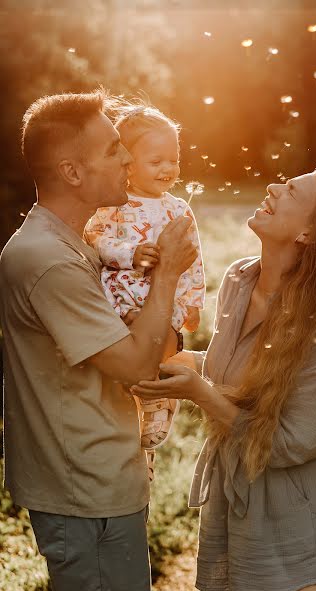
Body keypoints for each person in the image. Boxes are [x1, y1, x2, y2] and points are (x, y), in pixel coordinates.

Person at [132, 165, 316, 591]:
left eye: (292, 191)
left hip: (306, 530)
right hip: (247, 523)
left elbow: (292, 442)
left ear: (308, 234)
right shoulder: (239, 280)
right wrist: (189, 363)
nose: (273, 186)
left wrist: (200, 391)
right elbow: (240, 369)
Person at [0, 90, 197, 591]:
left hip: (100, 480)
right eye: (113, 149)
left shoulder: (74, 246)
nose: (129, 157)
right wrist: (170, 274)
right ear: (71, 172)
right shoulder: (50, 261)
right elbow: (136, 365)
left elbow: (154, 344)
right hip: (85, 490)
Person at [84, 102, 205, 457]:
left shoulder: (179, 208)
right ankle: (126, 428)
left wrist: (194, 302)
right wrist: (128, 254)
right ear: (127, 162)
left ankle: (156, 414)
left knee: (160, 362)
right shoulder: (113, 204)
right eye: (157, 161)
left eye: (174, 159)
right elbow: (94, 237)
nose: (168, 168)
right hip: (121, 302)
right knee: (125, 371)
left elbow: (193, 257)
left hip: (163, 304)